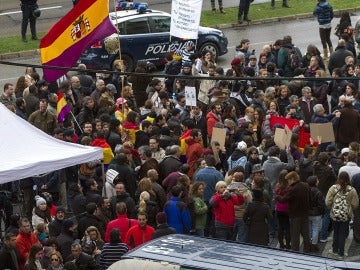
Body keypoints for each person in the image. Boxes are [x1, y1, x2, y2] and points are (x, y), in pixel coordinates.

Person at [326, 171, 359, 259]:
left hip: (334, 215)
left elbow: (327, 202)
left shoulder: (333, 188)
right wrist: (350, 210)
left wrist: (332, 208)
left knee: (335, 232)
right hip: (346, 216)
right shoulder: (352, 190)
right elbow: (355, 204)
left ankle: (334, 250)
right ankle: (341, 252)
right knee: (342, 233)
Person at [275, 171, 311, 253]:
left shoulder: (293, 189)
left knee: (295, 235)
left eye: (288, 180)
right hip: (305, 214)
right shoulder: (306, 185)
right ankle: (307, 249)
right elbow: (310, 199)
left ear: (292, 179)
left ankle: (295, 252)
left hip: (295, 215)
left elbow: (284, 199)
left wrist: (277, 197)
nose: (288, 182)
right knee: (305, 234)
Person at [307, 175, 326, 252]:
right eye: (317, 180)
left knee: (308, 229)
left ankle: (308, 243)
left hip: (307, 213)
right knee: (315, 229)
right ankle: (314, 245)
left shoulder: (306, 190)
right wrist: (322, 212)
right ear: (315, 182)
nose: (318, 181)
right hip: (316, 214)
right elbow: (321, 205)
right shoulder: (318, 192)